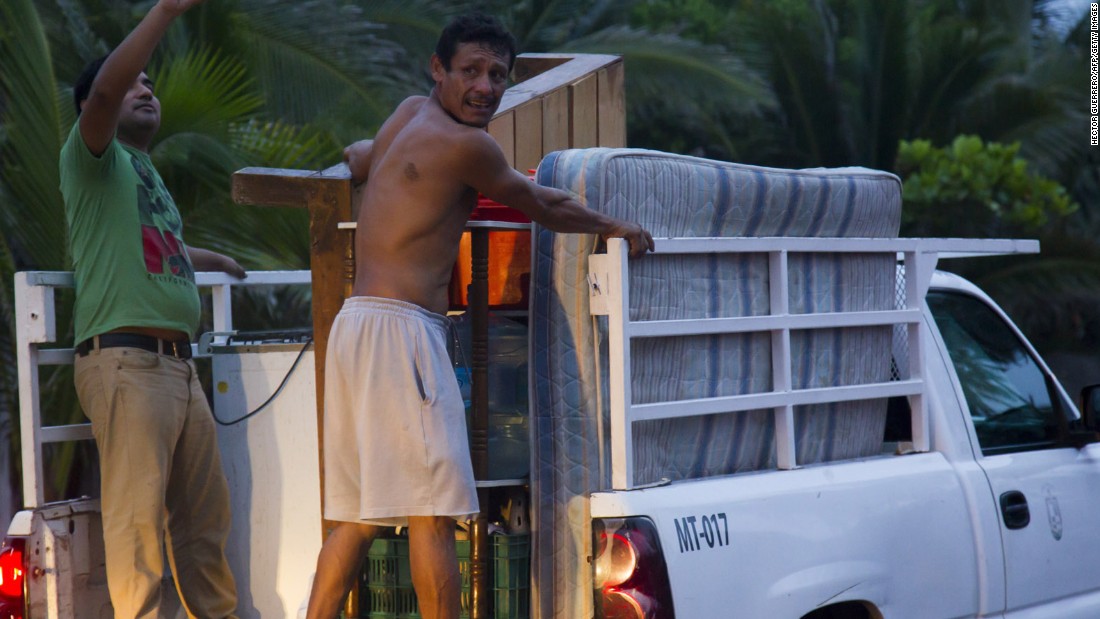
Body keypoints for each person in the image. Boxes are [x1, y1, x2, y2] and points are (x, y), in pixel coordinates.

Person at [306, 12, 654, 619]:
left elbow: (359, 157)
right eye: (470, 71)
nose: (486, 87)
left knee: (359, 518)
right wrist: (613, 226)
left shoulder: (407, 112)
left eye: (498, 74)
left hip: (355, 323)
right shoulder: (470, 145)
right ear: (438, 70)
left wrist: (346, 162)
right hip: (400, 332)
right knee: (433, 514)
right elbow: (541, 202)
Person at [59, 0, 244, 617]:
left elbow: (154, 241)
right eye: (136, 82)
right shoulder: (93, 158)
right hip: (127, 363)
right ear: (96, 107)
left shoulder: (143, 174)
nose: (146, 88)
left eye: (151, 85)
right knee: (138, 537)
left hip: (177, 368)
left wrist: (211, 258)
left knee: (203, 529)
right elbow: (108, 88)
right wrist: (166, 11)